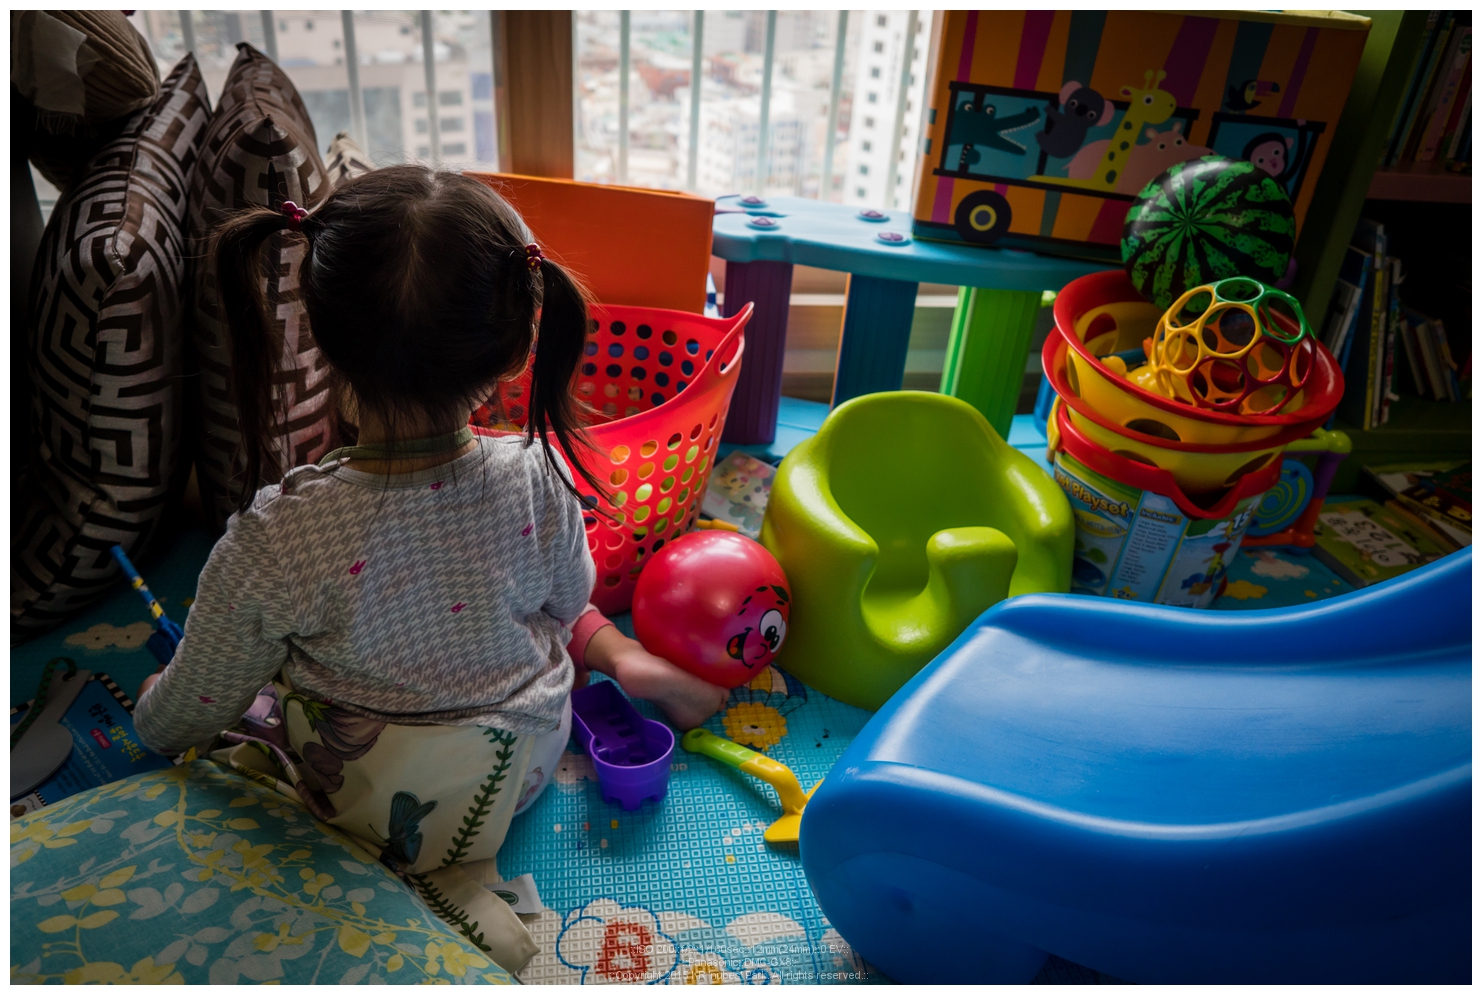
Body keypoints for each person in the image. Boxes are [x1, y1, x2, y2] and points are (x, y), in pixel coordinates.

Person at [131, 166, 727, 971]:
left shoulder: (276, 535)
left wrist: (153, 708)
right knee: (553, 617)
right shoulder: (540, 472)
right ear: (514, 351)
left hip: (359, 795)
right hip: (520, 764)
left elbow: (182, 719)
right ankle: (622, 659)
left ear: (322, 339)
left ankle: (404, 864)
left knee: (250, 710)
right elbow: (568, 602)